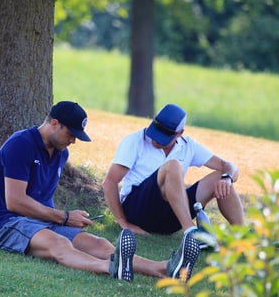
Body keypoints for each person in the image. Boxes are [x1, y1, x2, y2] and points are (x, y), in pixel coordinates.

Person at [0, 101, 201, 282]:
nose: (73, 141)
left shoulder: (61, 153)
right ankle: (110, 268)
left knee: (99, 244)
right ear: (54, 123)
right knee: (59, 243)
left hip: (43, 222)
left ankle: (164, 269)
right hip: (7, 223)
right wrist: (64, 217)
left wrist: (64, 219)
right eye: (71, 134)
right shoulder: (20, 144)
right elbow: (15, 202)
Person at [102, 103, 245, 258]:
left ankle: (243, 236)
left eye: (163, 137)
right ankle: (191, 232)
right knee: (173, 165)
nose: (156, 139)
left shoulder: (188, 145)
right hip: (137, 211)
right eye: (155, 132)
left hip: (169, 219)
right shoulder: (134, 141)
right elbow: (109, 182)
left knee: (221, 176)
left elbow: (229, 166)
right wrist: (123, 222)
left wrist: (227, 178)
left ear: (179, 134)